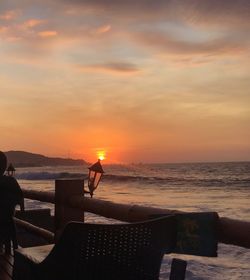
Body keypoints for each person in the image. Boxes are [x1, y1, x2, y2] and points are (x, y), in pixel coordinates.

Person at [0, 151, 24, 252]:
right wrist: (22, 209)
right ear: (4, 166)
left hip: (5, 220)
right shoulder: (11, 181)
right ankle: (12, 251)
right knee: (9, 224)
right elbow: (20, 197)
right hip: (7, 219)